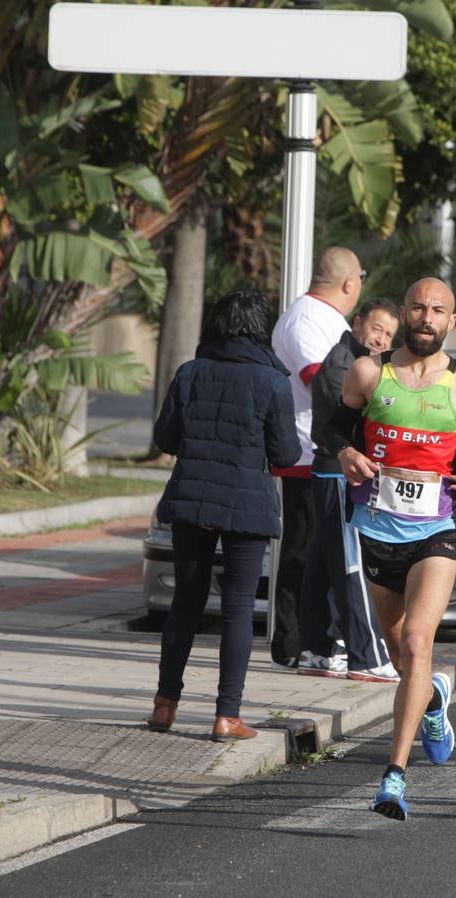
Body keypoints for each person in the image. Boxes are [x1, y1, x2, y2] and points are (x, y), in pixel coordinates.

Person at [327, 278, 456, 821]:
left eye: (438, 310)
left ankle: (394, 777)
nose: (427, 317)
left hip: (440, 529)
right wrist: (345, 450)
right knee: (402, 653)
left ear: (451, 321)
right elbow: (332, 421)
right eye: (419, 308)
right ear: (403, 314)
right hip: (379, 527)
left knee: (420, 643)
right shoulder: (369, 373)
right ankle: (431, 700)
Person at [146, 289, 301, 742]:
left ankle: (164, 705)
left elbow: (165, 438)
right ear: (261, 329)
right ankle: (226, 715)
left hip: (191, 498)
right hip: (248, 504)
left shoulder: (190, 372)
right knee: (236, 609)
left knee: (185, 603)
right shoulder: (273, 382)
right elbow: (286, 453)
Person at [269, 247, 367, 670]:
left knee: (325, 553)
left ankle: (319, 639)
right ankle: (293, 642)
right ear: (350, 283)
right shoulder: (307, 318)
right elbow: (323, 385)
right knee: (304, 551)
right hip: (308, 455)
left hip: (330, 455)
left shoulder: (328, 318)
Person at [301, 298, 401, 681]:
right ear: (357, 323)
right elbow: (362, 419)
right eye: (376, 329)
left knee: (323, 565)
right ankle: (368, 656)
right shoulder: (345, 366)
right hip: (339, 473)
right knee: (351, 564)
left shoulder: (358, 362)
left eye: (389, 334)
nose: (381, 339)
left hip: (335, 473)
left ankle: (317, 648)